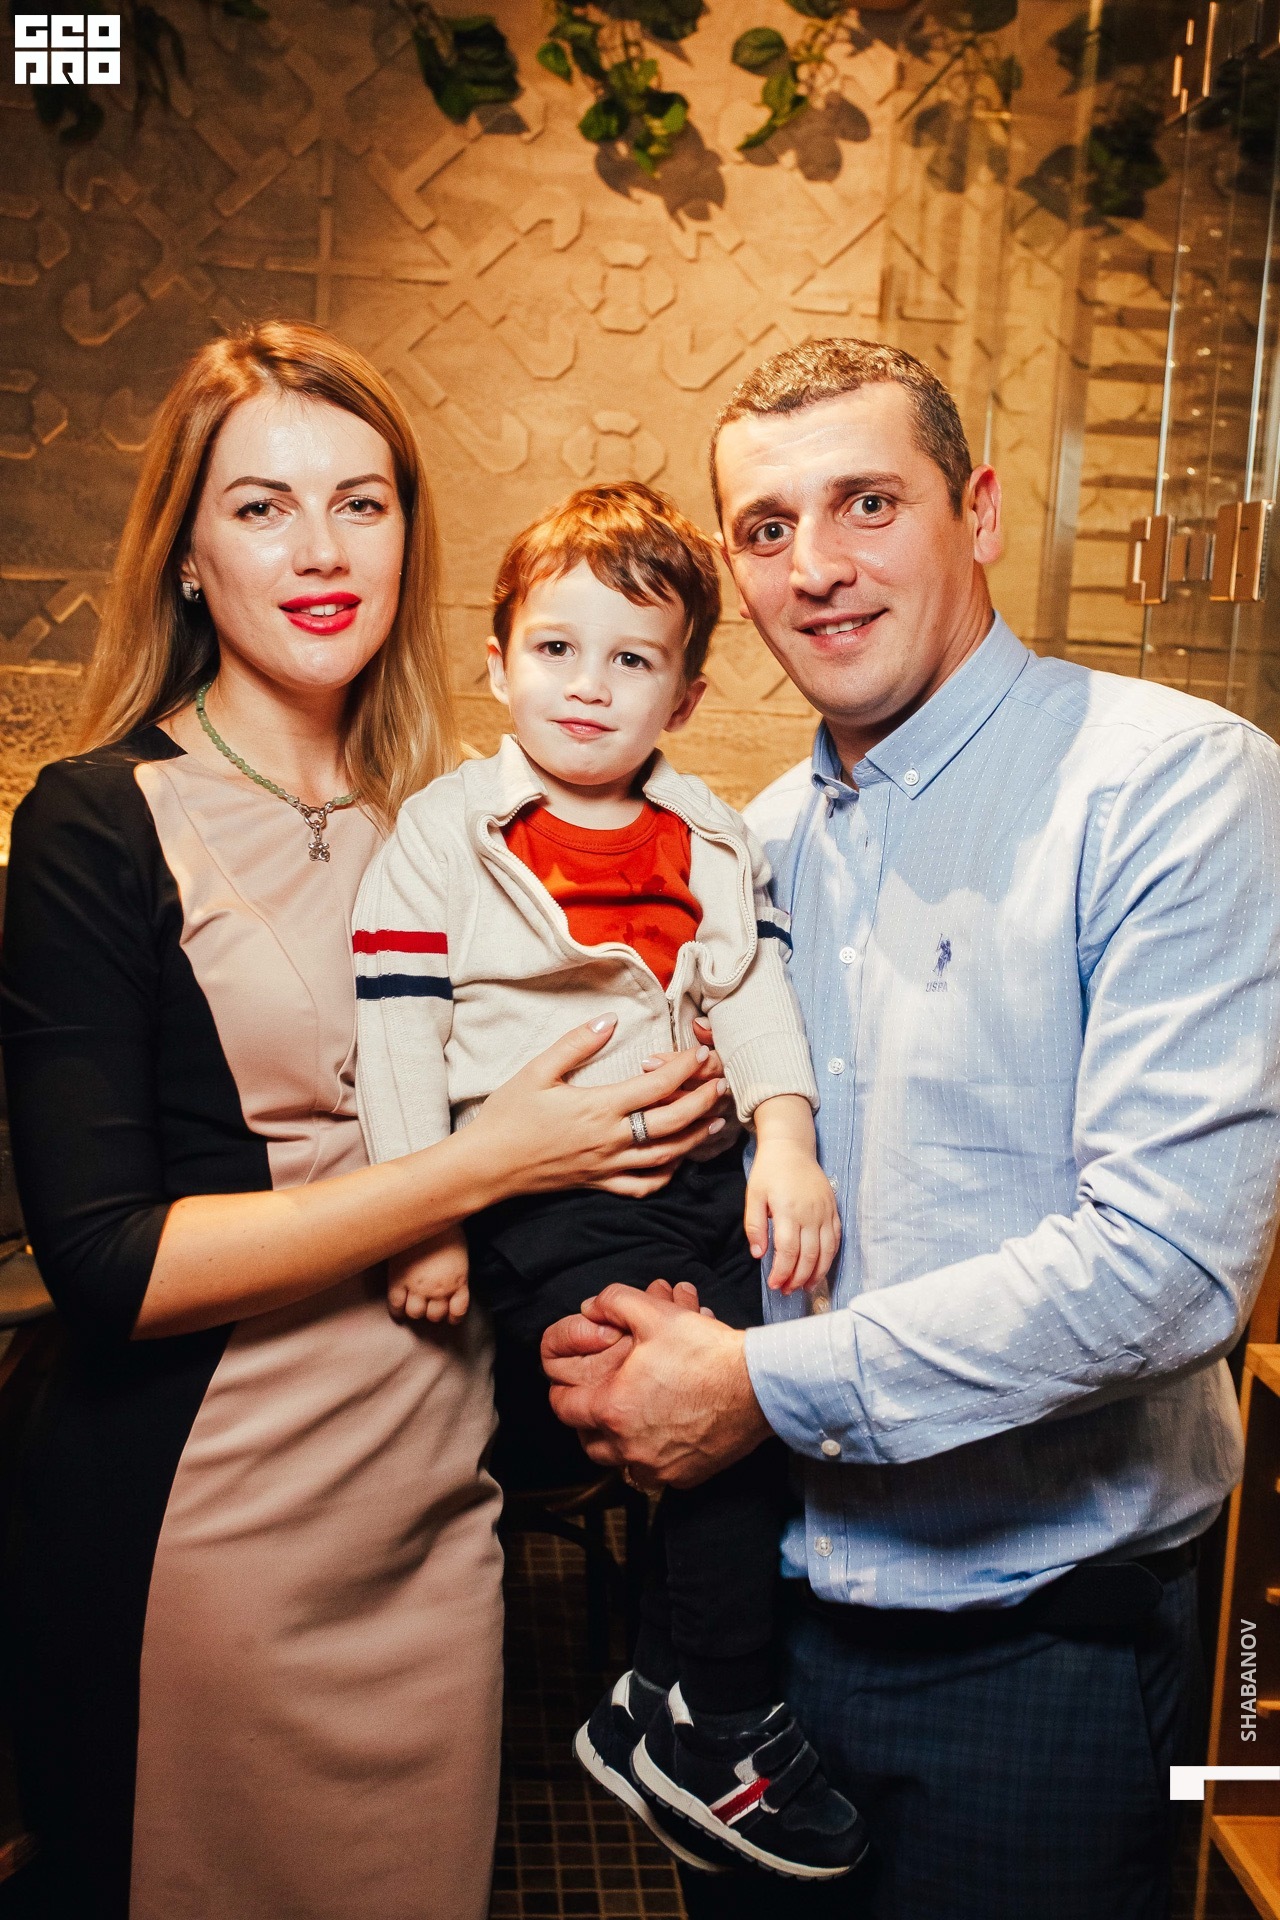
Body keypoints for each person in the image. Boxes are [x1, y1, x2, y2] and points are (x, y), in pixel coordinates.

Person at [542, 339, 1280, 1920]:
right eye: (767, 528)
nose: (816, 566)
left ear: (982, 513)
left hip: (1045, 1660)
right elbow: (722, 1203)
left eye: (867, 503)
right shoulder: (751, 850)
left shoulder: (1175, 787)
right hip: (761, 1648)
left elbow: (1168, 1272)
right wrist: (616, 1324)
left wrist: (750, 1387)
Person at [0, 323, 726, 1920]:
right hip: (210, 1534)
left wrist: (671, 1140)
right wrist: (482, 1163)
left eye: (363, 503)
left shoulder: (474, 820)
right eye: (261, 508)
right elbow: (109, 1265)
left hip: (436, 1527)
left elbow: (574, 1118)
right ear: (186, 555)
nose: (321, 551)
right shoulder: (96, 823)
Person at [353, 479, 865, 1882]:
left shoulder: (709, 832)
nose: (589, 685)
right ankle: (726, 1722)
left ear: (684, 696)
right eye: (557, 648)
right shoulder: (443, 834)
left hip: (697, 1183)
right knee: (685, 1402)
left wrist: (786, 1141)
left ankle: (661, 1690)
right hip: (542, 1205)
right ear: (498, 663)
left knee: (764, 1392)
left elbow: (751, 995)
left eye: (632, 659)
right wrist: (425, 1215)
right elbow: (396, 1031)